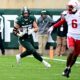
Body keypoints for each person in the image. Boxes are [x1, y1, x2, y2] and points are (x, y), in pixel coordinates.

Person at [48, 0, 80, 78]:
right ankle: (66, 67)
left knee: (75, 55)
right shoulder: (67, 14)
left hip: (79, 37)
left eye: (71, 7)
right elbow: (61, 21)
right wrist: (53, 27)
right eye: (68, 6)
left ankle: (68, 68)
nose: (69, 8)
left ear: (76, 7)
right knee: (71, 51)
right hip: (71, 36)